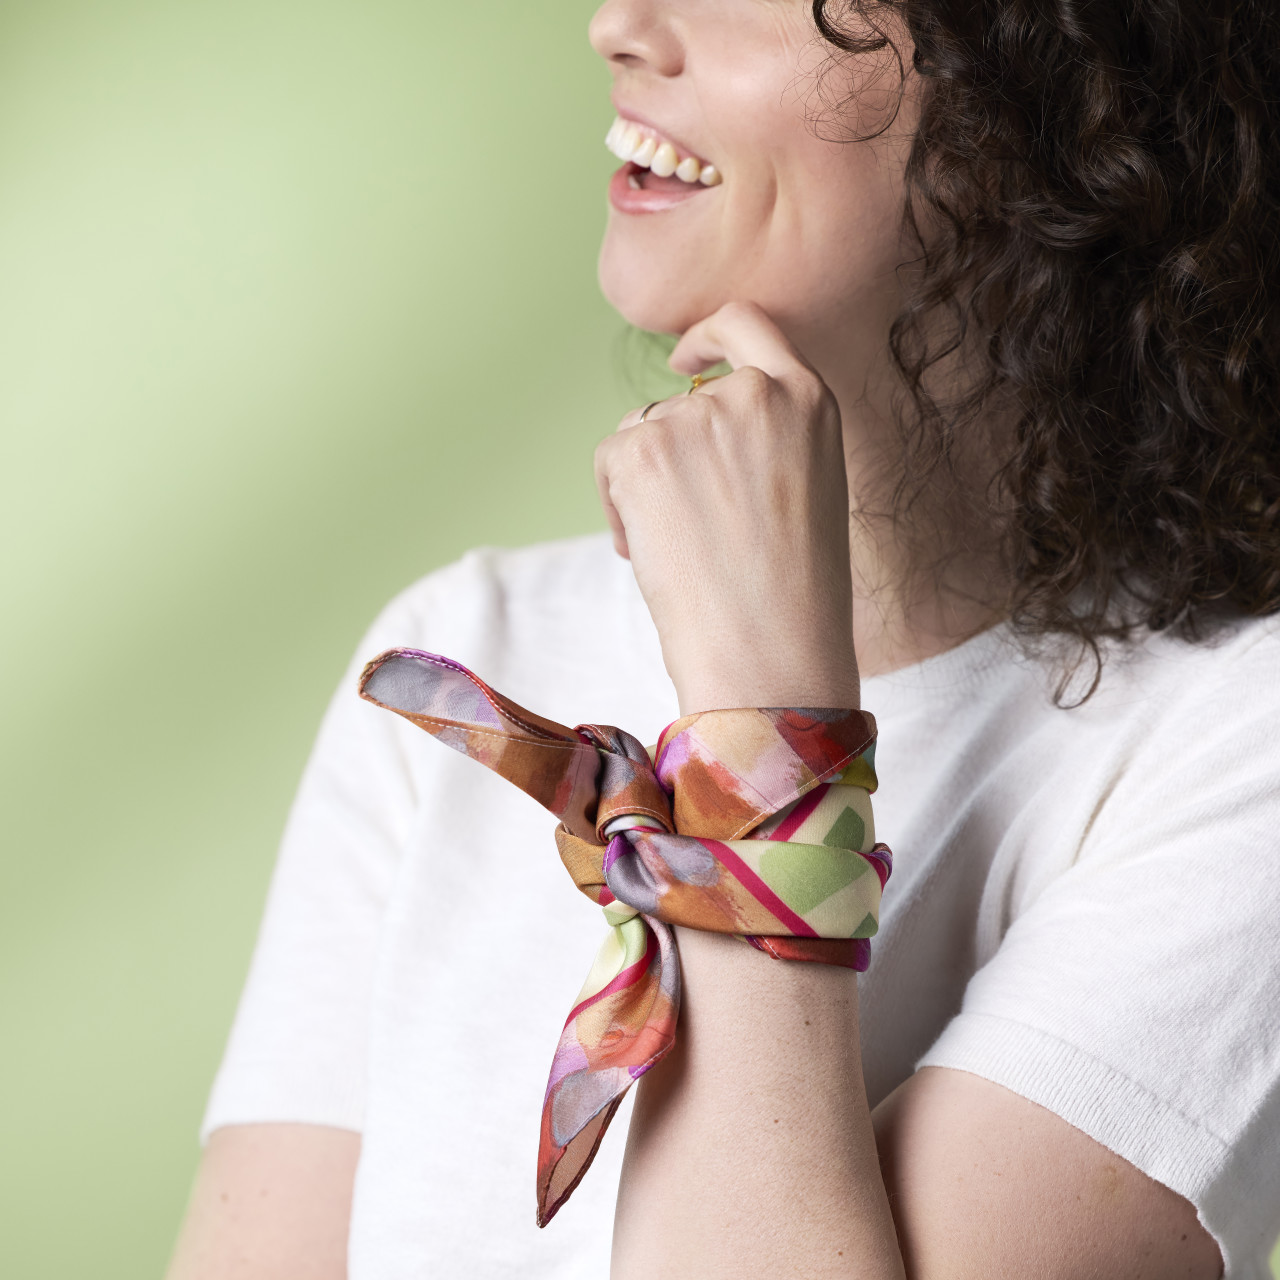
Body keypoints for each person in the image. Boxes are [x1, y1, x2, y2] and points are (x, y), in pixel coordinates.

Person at [166, 0, 1280, 1276]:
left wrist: (761, 724)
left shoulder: (1237, 744)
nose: (617, 25)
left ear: (1054, 96)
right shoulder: (463, 656)